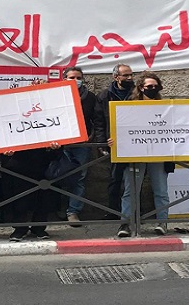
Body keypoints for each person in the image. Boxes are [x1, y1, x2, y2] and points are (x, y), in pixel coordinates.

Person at [117, 71, 172, 238]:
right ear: (141, 88)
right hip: (135, 154)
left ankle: (162, 222)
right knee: (130, 191)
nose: (153, 89)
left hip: (159, 153)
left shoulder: (166, 107)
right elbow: (121, 127)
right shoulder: (129, 106)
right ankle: (126, 224)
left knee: (161, 189)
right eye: (149, 86)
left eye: (156, 86)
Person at [61, 66, 104, 226]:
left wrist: (92, 137)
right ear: (64, 79)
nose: (75, 81)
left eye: (78, 78)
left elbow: (97, 119)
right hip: (59, 145)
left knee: (79, 177)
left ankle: (73, 211)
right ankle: (58, 208)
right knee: (58, 175)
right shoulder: (56, 95)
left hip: (81, 144)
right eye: (72, 77)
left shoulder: (90, 97)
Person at [1, 142, 62, 241]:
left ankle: (39, 227)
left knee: (44, 196)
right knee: (20, 196)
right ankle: (20, 228)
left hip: (44, 159)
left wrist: (56, 147)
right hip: (19, 159)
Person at [96, 64, 135, 220]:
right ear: (116, 77)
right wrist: (101, 143)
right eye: (126, 75)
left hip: (135, 141)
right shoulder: (104, 96)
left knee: (134, 179)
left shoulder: (137, 93)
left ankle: (133, 211)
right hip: (115, 144)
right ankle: (113, 211)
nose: (129, 78)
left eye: (131, 75)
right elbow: (99, 121)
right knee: (115, 179)